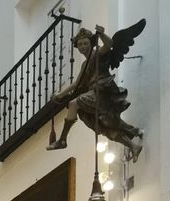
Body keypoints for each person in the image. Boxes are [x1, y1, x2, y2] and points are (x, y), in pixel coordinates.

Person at [47, 21, 145, 159]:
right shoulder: (84, 65)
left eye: (85, 43)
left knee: (75, 103)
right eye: (80, 44)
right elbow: (76, 83)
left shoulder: (97, 54)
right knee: (106, 126)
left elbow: (109, 45)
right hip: (94, 94)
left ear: (90, 43)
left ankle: (63, 140)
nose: (83, 47)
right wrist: (59, 95)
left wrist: (102, 34)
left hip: (102, 90)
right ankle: (134, 144)